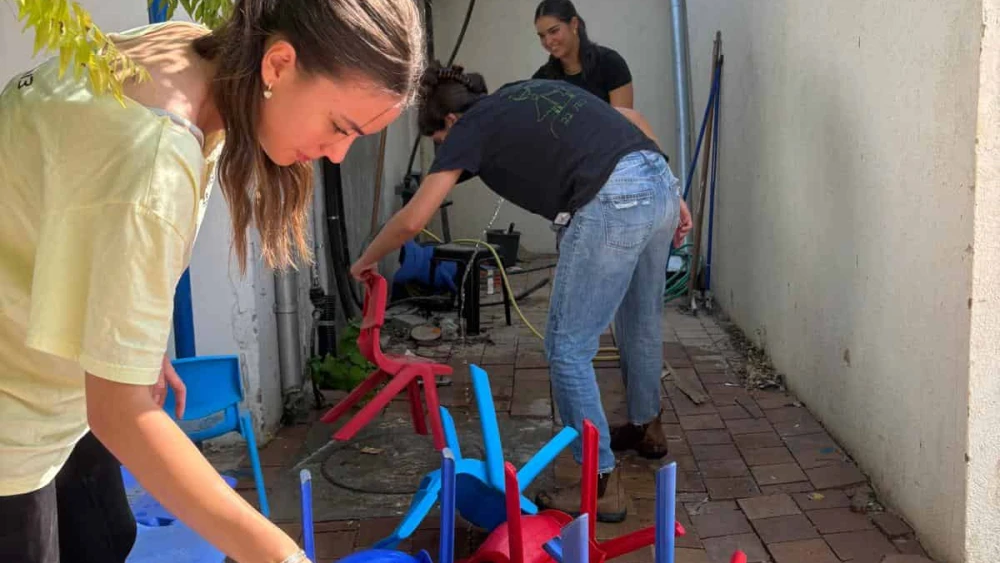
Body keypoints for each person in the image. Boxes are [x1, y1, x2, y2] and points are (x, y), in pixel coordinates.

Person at [0, 1, 424, 561]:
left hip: (54, 368)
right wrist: (277, 553)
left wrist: (127, 335)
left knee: (106, 538)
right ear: (277, 65)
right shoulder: (155, 156)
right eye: (338, 126)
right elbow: (119, 412)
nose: (338, 154)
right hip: (15, 412)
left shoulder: (186, 49)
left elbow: (71, 196)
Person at [350, 63, 692, 523]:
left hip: (614, 197)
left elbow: (415, 219)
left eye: (439, 146)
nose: (446, 158)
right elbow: (628, 120)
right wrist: (667, 191)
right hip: (656, 179)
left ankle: (602, 485)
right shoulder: (519, 92)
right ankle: (646, 426)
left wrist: (367, 257)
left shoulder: (469, 127)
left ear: (449, 123)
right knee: (640, 320)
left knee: (568, 348)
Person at [532, 0, 633, 108]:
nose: (548, 41)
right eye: (542, 36)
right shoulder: (541, 79)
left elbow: (621, 123)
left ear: (574, 24)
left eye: (554, 31)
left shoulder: (611, 64)